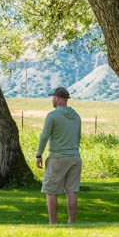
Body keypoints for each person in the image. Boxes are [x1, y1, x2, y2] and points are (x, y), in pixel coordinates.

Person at [36, 87, 82, 225]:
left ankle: (52, 222)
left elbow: (44, 136)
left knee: (51, 191)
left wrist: (39, 154)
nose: (52, 100)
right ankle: (71, 222)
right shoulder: (76, 116)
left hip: (57, 157)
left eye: (53, 98)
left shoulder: (52, 116)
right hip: (75, 157)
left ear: (57, 98)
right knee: (72, 191)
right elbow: (78, 137)